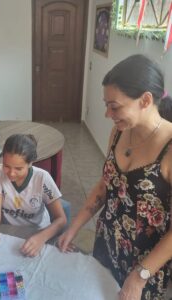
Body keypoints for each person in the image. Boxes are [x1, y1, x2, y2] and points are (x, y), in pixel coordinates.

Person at [57, 54, 172, 300]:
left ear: (146, 100)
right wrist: (73, 228)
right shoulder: (119, 133)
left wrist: (140, 275)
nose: (108, 114)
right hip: (107, 243)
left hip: (146, 263)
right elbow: (106, 186)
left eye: (115, 106)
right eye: (106, 104)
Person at [0, 134, 67, 257]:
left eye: (19, 169)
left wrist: (41, 237)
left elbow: (61, 219)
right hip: (9, 232)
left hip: (39, 232)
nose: (11, 174)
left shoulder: (42, 178)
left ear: (30, 163)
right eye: (6, 166)